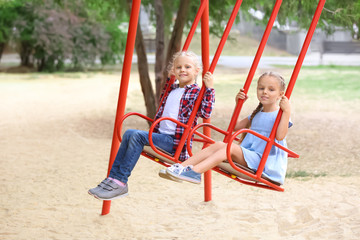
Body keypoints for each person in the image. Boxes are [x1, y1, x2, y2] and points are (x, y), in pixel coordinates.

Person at [88, 51, 215, 200]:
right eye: (178, 67)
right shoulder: (172, 90)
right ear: (173, 70)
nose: (183, 70)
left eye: (187, 67)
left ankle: (121, 182)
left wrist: (209, 88)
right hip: (162, 136)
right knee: (129, 133)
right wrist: (169, 79)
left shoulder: (196, 92)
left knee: (136, 136)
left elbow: (206, 113)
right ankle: (112, 179)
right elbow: (162, 99)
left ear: (196, 71)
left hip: (175, 143)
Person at [161, 71, 292, 185]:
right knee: (219, 144)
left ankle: (195, 172)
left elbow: (280, 136)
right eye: (261, 88)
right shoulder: (257, 113)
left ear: (281, 94)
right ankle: (181, 167)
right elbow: (235, 126)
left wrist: (286, 112)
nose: (264, 92)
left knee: (229, 148)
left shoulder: (280, 114)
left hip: (265, 162)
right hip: (252, 156)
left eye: (271, 89)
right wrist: (238, 104)